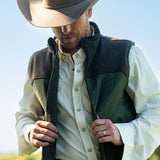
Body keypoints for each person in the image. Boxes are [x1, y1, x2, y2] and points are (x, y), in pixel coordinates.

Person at [15, 0, 160, 160]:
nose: (65, 29)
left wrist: (122, 133)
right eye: (57, 22)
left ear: (89, 11)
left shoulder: (127, 54)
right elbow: (25, 116)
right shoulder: (37, 63)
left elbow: (156, 112)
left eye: (72, 19)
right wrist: (29, 131)